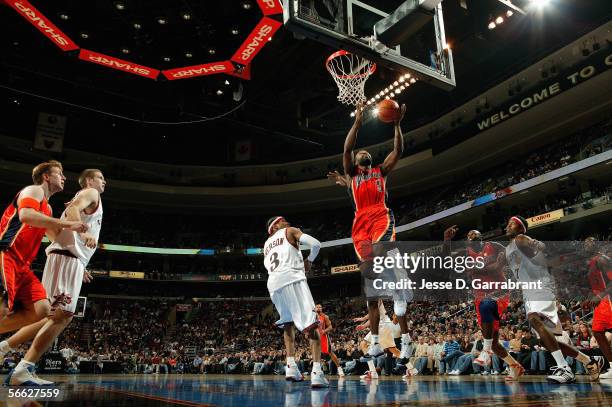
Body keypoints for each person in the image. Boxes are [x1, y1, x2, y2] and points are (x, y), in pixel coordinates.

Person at [3, 169, 105, 386]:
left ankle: (6, 351)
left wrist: (75, 254)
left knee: (50, 313)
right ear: (89, 180)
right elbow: (72, 211)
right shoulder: (91, 193)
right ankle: (22, 367)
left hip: (70, 259)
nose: (104, 182)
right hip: (60, 259)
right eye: (100, 178)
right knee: (61, 315)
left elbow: (52, 229)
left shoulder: (82, 198)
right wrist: (81, 234)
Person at [328, 100, 412, 361]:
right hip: (359, 224)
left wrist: (397, 125)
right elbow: (347, 146)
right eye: (357, 153)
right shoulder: (351, 174)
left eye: (365, 151)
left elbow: (398, 149)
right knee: (369, 280)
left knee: (383, 249)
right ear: (354, 161)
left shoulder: (381, 171)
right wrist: (357, 122)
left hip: (379, 215)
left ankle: (400, 285)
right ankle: (375, 342)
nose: (360, 152)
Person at [501, 215, 601, 383]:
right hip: (529, 290)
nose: (508, 226)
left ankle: (565, 369)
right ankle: (590, 361)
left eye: (512, 224)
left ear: (521, 228)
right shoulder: (508, 248)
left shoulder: (520, 238)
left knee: (534, 319)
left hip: (539, 285)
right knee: (547, 339)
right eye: (508, 223)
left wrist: (536, 244)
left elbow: (539, 246)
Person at [0, 161, 87, 338]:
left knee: (41, 309)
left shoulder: (47, 208)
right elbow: (26, 215)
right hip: (6, 254)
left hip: (23, 266)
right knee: (2, 308)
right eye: (59, 173)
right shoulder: (34, 190)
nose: (64, 177)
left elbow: (56, 239)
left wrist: (78, 263)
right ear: (46, 176)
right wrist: (69, 223)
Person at [443, 225, 524, 380]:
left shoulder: (494, 246)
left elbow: (497, 268)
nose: (472, 238)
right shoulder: (466, 253)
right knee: (493, 342)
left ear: (482, 239)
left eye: (476, 237)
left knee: (487, 305)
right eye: (469, 237)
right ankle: (515, 366)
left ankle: (485, 353)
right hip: (480, 294)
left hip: (499, 290)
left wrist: (475, 269)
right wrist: (447, 240)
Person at [263, 216, 328, 388]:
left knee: (288, 323)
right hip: (292, 278)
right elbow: (316, 244)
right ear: (275, 225)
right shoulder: (289, 231)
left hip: (274, 285)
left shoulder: (266, 245)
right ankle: (317, 373)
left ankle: (291, 366)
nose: (287, 222)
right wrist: (309, 261)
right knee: (313, 325)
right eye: (283, 220)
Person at [583, 237, 612, 379]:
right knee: (597, 332)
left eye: (591, 242)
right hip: (601, 302)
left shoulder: (602, 260)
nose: (587, 244)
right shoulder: (591, 263)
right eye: (585, 243)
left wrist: (600, 296)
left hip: (608, 299)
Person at [315, 304, 345, 376]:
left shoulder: (325, 317)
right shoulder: (312, 317)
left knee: (330, 352)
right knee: (316, 353)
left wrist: (324, 331)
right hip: (316, 337)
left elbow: (330, 326)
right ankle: (317, 370)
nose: (319, 308)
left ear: (322, 309)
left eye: (320, 307)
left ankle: (339, 368)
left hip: (324, 337)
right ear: (315, 308)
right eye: (317, 307)